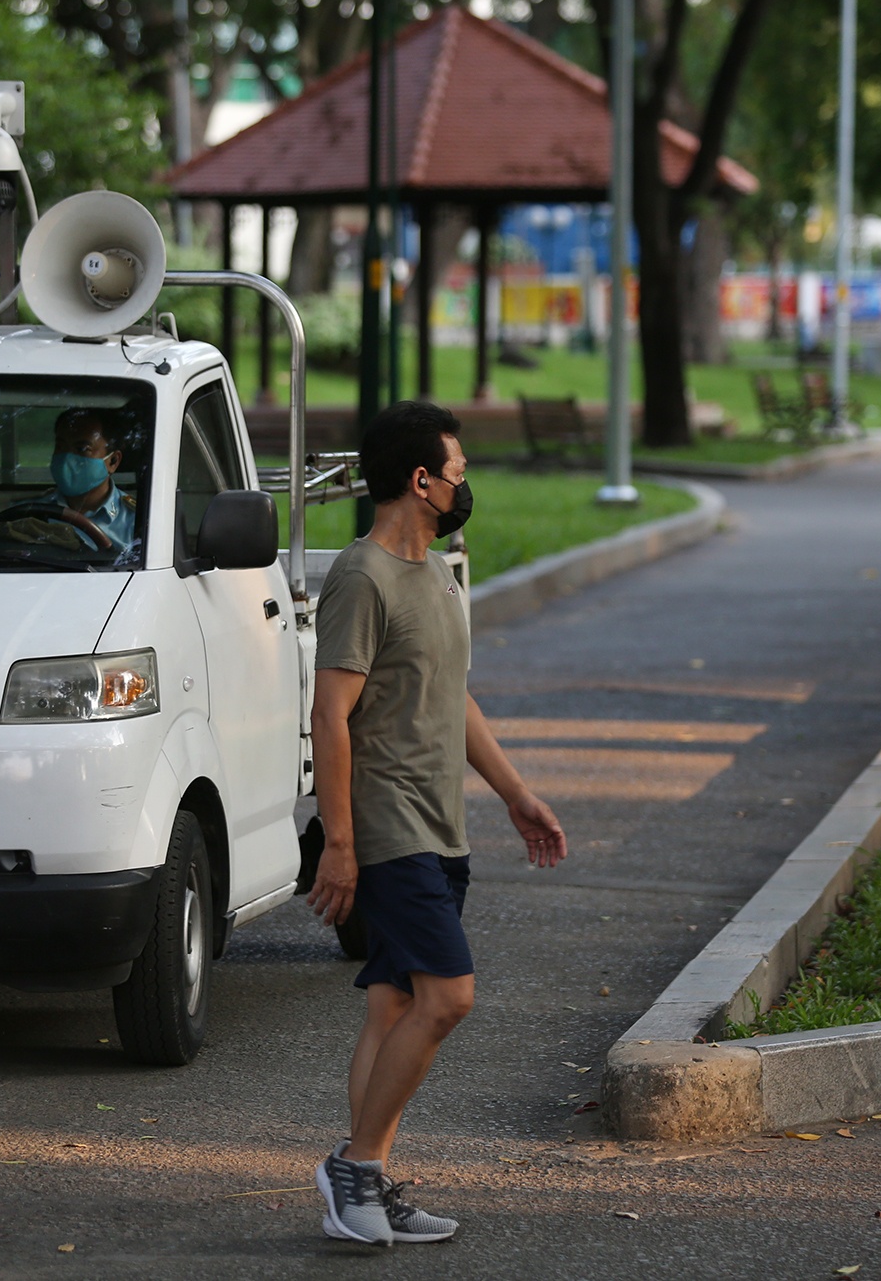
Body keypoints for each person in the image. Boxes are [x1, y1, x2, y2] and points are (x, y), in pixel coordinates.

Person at [305, 400, 567, 1248]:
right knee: (449, 996)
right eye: (457, 474)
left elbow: (451, 697)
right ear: (421, 482)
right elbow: (329, 717)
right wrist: (340, 843)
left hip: (441, 825)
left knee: (392, 1009)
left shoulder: (440, 577)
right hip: (390, 828)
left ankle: (370, 1184)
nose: (465, 488)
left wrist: (516, 794)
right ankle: (353, 1165)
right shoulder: (362, 576)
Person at [36, 407, 136, 552]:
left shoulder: (137, 521)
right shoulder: (29, 513)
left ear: (113, 461)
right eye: (60, 447)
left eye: (82, 449)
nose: (66, 458)